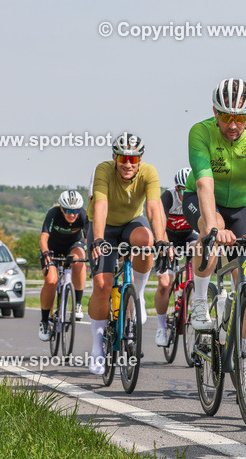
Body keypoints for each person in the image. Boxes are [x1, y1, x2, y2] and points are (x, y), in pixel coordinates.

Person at [178, 78, 246, 400]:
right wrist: (212, 228)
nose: (234, 125)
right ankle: (198, 300)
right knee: (210, 240)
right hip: (201, 198)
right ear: (214, 111)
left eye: (241, 118)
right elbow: (205, 184)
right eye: (226, 117)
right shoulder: (201, 131)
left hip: (243, 207)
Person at [85, 132, 169, 375]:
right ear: (115, 157)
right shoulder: (103, 170)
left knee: (146, 240)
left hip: (132, 222)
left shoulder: (148, 173)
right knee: (102, 285)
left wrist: (162, 240)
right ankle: (97, 348)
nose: (128, 163)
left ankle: (138, 295)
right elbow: (100, 205)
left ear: (140, 160)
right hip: (105, 227)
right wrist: (99, 238)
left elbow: (154, 208)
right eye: (123, 158)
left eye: (134, 159)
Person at [153, 167, 200, 347]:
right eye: (182, 189)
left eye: (189, 190)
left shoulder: (197, 198)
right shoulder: (168, 197)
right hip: (168, 238)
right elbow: (159, 224)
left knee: (199, 253)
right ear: (176, 188)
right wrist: (165, 244)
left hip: (188, 237)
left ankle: (193, 298)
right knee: (165, 284)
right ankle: (161, 326)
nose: (185, 194)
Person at [37, 190, 89, 341]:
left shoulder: (83, 215)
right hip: (52, 248)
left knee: (79, 260)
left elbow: (88, 239)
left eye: (75, 211)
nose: (72, 214)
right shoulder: (53, 214)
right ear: (61, 208)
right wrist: (46, 252)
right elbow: (43, 238)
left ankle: (77, 304)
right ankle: (45, 321)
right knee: (51, 281)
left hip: (73, 245)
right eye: (67, 211)